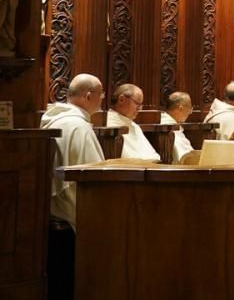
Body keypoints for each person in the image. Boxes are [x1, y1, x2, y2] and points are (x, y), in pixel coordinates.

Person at [41, 74, 106, 300]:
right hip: (69, 222)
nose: (103, 99)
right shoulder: (78, 127)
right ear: (89, 96)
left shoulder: (54, 119)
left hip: (51, 217)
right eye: (101, 94)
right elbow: (92, 177)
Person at [106, 83, 161, 161]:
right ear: (121, 99)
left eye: (141, 105)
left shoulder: (134, 126)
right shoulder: (108, 124)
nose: (140, 109)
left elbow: (152, 155)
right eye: (137, 104)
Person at [160, 91, 196, 163]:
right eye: (190, 108)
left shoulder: (168, 122)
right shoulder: (169, 127)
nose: (190, 112)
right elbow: (183, 157)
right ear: (181, 108)